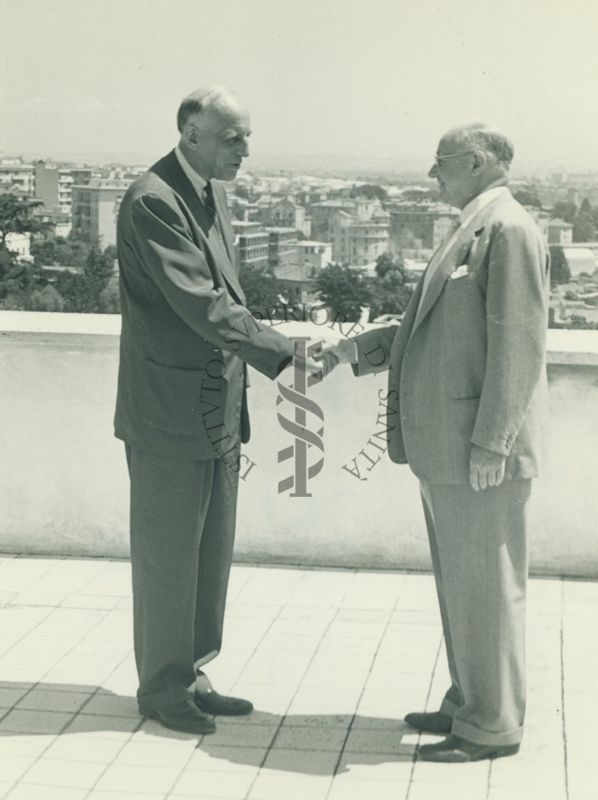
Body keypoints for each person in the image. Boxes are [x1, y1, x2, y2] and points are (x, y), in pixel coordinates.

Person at [323, 122, 549, 762]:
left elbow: (518, 346)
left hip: (478, 451)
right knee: (464, 585)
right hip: (450, 447)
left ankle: (491, 726)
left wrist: (491, 443)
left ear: (476, 163)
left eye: (442, 162)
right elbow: (433, 326)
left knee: (487, 588)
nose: (433, 174)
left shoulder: (508, 231)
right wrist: (354, 349)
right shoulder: (474, 225)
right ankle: (467, 702)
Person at [115, 85, 321, 734]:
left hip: (217, 410)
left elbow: (227, 299)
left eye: (247, 137)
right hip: (170, 412)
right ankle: (161, 687)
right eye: (233, 138)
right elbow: (203, 304)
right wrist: (287, 354)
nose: (245, 150)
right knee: (168, 556)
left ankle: (192, 671)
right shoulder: (155, 200)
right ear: (190, 132)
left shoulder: (208, 195)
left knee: (208, 554)